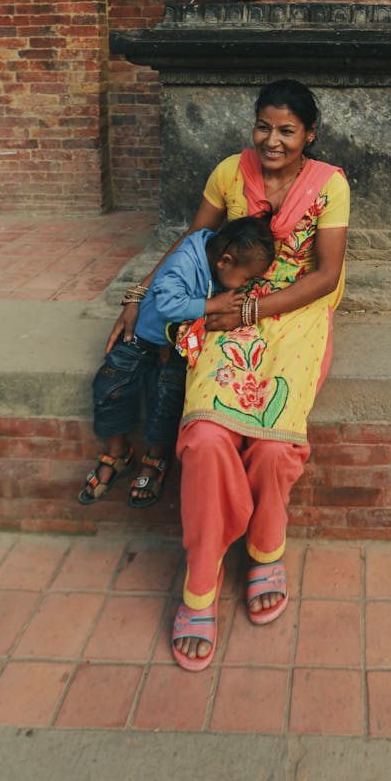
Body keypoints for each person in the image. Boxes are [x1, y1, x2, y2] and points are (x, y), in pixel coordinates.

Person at [109, 79, 350, 671]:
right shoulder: (227, 173)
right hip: (223, 307)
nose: (272, 139)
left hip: (292, 313)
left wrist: (253, 311)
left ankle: (265, 548)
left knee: (272, 442)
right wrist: (142, 292)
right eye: (263, 126)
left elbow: (324, 275)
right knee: (208, 435)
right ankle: (202, 575)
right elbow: (197, 241)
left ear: (309, 134)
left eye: (287, 130)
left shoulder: (330, 186)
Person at [77, 216, 276, 509]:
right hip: (142, 340)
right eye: (246, 279)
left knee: (169, 395)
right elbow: (167, 305)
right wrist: (213, 305)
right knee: (110, 384)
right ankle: (117, 452)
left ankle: (156, 457)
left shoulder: (219, 260)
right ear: (224, 261)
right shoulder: (183, 261)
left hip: (177, 345)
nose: (246, 285)